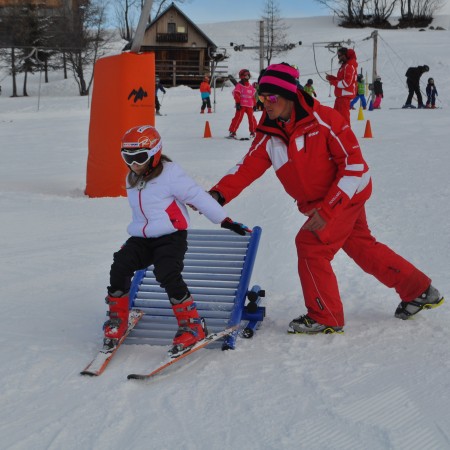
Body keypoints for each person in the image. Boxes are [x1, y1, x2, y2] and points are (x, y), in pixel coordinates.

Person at [208, 62, 444, 335]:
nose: (265, 103)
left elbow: (354, 166)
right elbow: (247, 166)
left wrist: (328, 210)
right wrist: (218, 194)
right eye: (262, 97)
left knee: (311, 246)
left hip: (347, 194)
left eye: (271, 97)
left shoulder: (325, 120)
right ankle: (420, 290)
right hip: (322, 203)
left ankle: (325, 315)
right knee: (363, 247)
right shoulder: (269, 131)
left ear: (291, 95)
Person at [103, 125, 250, 351]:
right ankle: (117, 318)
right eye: (127, 157)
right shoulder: (132, 177)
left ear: (154, 154)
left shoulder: (170, 174)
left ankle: (191, 324)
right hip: (142, 238)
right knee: (120, 264)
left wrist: (224, 220)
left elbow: (197, 197)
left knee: (167, 272)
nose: (133, 163)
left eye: (139, 157)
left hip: (171, 237)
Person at [326, 47, 358, 125]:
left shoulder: (349, 66)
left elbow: (346, 83)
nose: (339, 58)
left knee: (344, 120)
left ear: (345, 55)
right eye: (338, 55)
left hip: (344, 97)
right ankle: (338, 135)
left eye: (340, 55)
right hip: (340, 97)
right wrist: (332, 78)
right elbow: (341, 79)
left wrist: (333, 82)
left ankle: (347, 136)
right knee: (336, 118)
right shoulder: (345, 66)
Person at [227, 69, 257, 139]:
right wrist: (237, 103)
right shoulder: (239, 85)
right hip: (241, 105)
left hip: (249, 106)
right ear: (242, 76)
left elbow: (252, 97)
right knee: (238, 118)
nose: (247, 77)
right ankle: (232, 132)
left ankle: (253, 132)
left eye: (248, 75)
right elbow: (236, 94)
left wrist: (255, 104)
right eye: (246, 75)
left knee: (252, 119)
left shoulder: (250, 87)